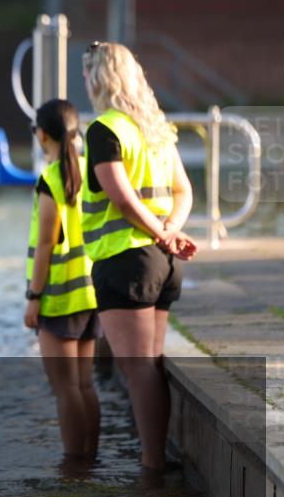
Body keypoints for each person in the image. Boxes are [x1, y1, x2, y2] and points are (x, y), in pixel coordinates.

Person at [80, 41, 196, 473]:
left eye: (87, 73)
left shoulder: (104, 129)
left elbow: (123, 199)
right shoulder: (155, 129)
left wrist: (160, 233)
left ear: (98, 78)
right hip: (162, 262)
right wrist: (170, 232)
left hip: (125, 261)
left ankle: (151, 468)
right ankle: (155, 461)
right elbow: (184, 191)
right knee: (151, 362)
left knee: (138, 368)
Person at [22, 99, 100, 466]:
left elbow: (46, 246)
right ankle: (91, 459)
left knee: (65, 388)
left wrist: (34, 296)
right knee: (85, 385)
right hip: (91, 292)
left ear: (42, 135)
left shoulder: (51, 180)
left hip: (58, 297)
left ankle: (73, 466)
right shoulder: (90, 169)